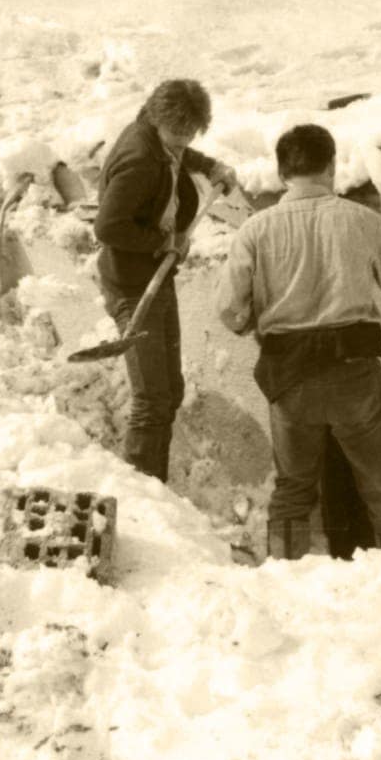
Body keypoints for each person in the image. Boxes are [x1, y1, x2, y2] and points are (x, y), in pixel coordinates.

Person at [218, 123, 381, 561]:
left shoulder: (255, 231)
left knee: (293, 489)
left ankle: (284, 574)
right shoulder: (362, 221)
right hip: (352, 371)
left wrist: (254, 322)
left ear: (283, 173)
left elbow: (231, 311)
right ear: (330, 167)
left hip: (288, 375)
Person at [93, 79, 237, 482]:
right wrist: (163, 241)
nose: (183, 141)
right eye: (178, 133)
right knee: (151, 400)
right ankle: (143, 494)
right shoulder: (139, 161)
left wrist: (208, 166)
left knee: (169, 392)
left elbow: (177, 153)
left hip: (155, 277)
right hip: (133, 285)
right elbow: (106, 227)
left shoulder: (157, 139)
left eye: (191, 133)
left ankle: (156, 486)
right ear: (157, 120)